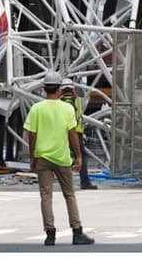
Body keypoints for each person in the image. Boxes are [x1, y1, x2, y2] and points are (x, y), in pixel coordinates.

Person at [24, 72, 94, 246]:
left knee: (46, 195)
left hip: (42, 157)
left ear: (43, 89)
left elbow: (32, 135)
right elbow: (73, 134)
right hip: (62, 158)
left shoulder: (36, 109)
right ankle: (77, 232)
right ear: (59, 90)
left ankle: (50, 233)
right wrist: (78, 156)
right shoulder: (67, 109)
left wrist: (32, 157)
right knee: (69, 194)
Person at [59, 82, 95, 190]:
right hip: (76, 132)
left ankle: (64, 182)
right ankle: (85, 182)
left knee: (63, 157)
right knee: (81, 156)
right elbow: (79, 114)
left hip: (62, 133)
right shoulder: (78, 100)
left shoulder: (59, 102)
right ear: (73, 89)